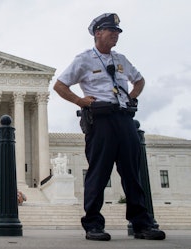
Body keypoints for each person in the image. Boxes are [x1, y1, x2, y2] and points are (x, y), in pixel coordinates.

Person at [53, 13, 165, 241]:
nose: (115, 35)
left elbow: (140, 80)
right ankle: (93, 224)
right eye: (111, 31)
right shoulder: (83, 59)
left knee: (132, 173)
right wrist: (80, 101)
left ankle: (142, 224)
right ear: (97, 34)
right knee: (99, 173)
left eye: (117, 32)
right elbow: (60, 85)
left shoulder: (121, 59)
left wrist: (131, 97)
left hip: (124, 118)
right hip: (101, 119)